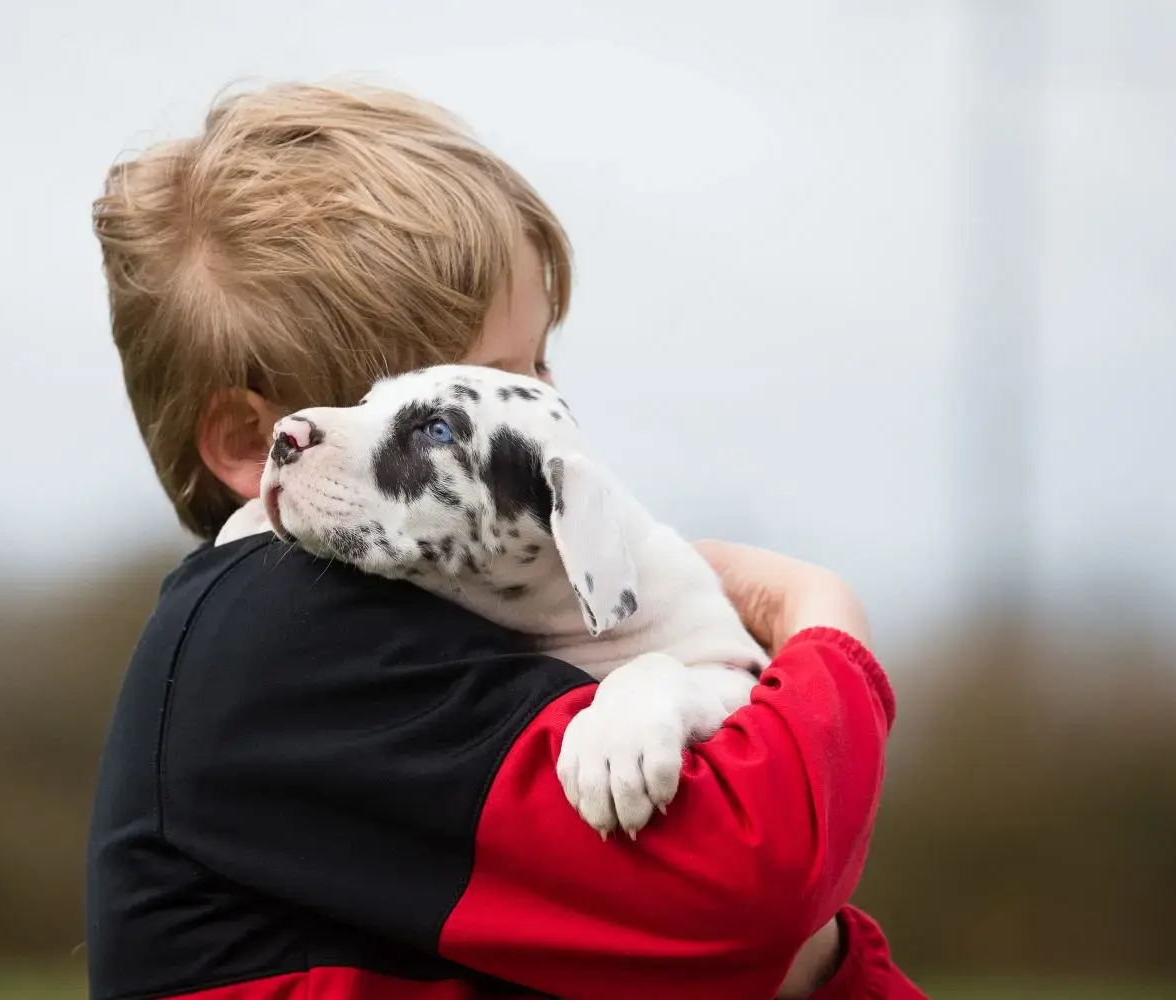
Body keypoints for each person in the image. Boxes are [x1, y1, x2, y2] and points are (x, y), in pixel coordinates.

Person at [85, 83, 925, 1000]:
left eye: (541, 366)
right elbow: (752, 889)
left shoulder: (414, 623)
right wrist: (824, 632)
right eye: (493, 382)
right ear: (259, 442)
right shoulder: (280, 635)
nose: (551, 413)